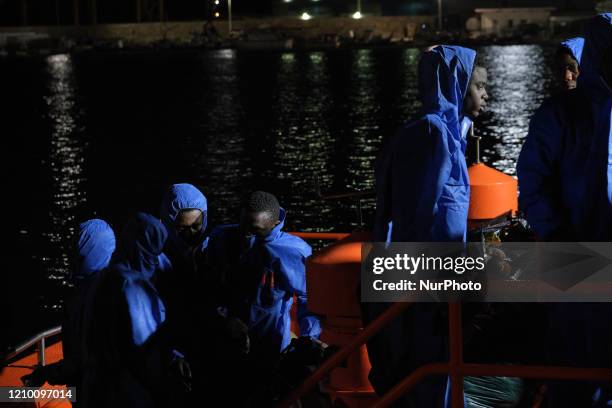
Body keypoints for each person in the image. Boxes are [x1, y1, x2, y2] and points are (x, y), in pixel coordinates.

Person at [366, 45, 488, 407]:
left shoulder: (442, 133)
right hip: (428, 282)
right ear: (456, 84)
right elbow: (417, 215)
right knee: (429, 369)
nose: (486, 94)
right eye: (478, 86)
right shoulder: (432, 136)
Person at [517, 13, 612, 407]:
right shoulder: (560, 113)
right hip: (572, 256)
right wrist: (558, 238)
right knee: (574, 369)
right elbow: (533, 179)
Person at [206, 191, 321, 398]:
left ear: (275, 222)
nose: (245, 235)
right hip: (226, 339)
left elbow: (308, 297)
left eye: (254, 231)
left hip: (270, 346)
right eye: (241, 226)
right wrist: (223, 317)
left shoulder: (293, 252)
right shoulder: (221, 238)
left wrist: (309, 338)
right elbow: (210, 284)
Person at [517, 14, 611, 241]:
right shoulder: (555, 114)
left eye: (571, 68)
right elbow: (534, 178)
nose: (566, 76)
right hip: (572, 243)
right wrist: (556, 233)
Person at [82, 213, 189, 408]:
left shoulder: (103, 278)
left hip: (98, 389)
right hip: (129, 394)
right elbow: (146, 352)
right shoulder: (133, 286)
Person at [22, 219, 116, 391]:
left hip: (94, 395)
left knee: (6, 395)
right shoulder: (120, 286)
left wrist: (45, 373)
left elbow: (81, 364)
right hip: (114, 393)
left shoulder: (85, 301)